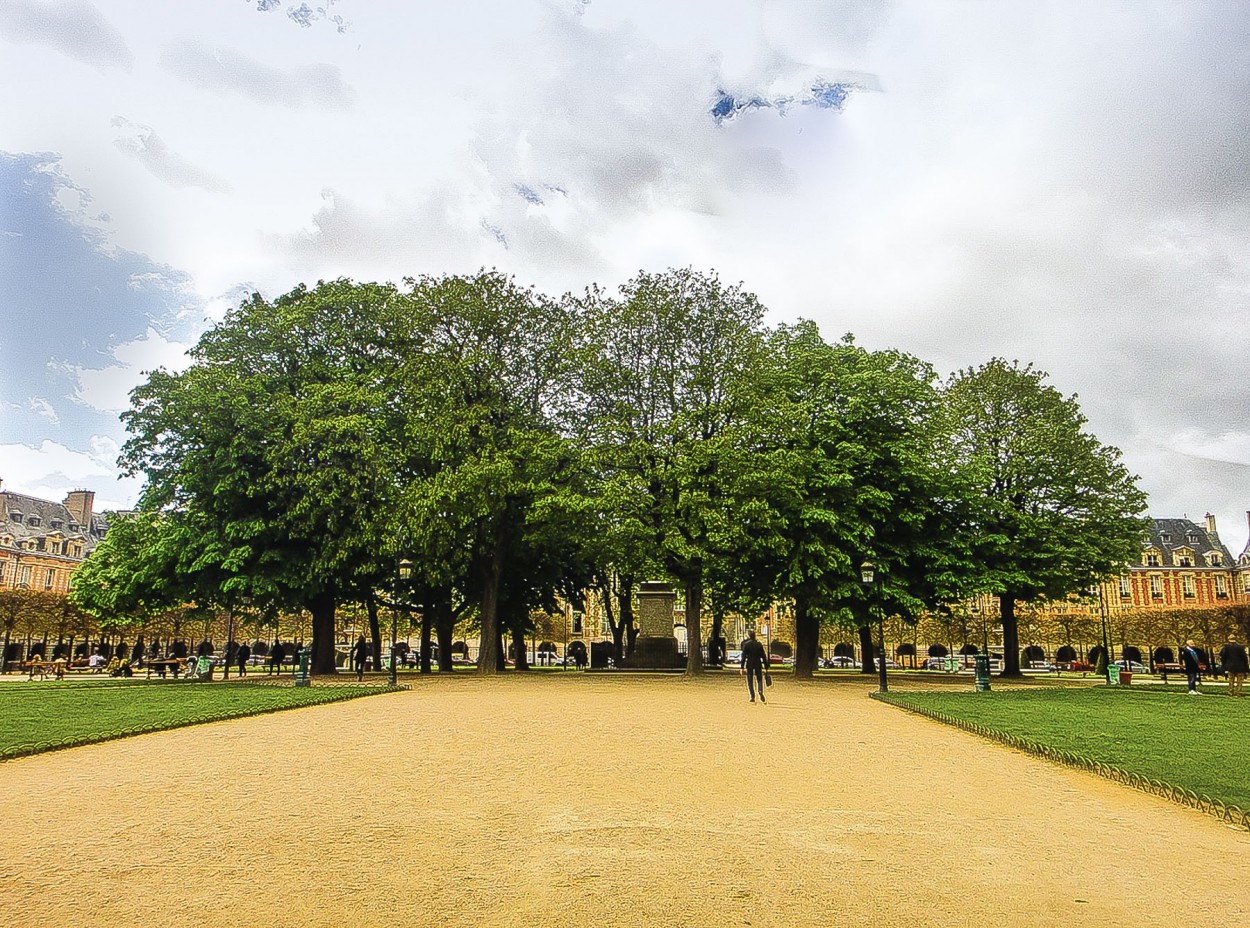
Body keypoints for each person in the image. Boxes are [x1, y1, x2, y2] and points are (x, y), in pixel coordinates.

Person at [739, 630, 770, 703]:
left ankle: (752, 696)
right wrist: (766, 666)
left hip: (750, 663)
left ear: (749, 636)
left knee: (750, 679)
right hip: (757, 662)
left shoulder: (746, 644)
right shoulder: (759, 644)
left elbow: (743, 656)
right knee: (759, 678)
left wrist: (742, 667)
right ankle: (760, 690)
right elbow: (763, 655)